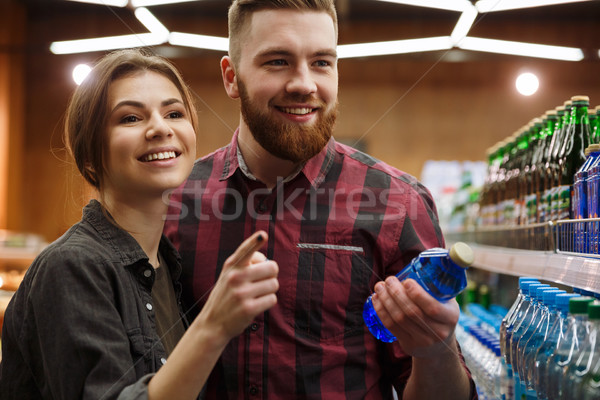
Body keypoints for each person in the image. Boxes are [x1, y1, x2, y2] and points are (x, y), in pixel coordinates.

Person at [164, 0, 477, 398]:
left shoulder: (398, 204)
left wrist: (436, 352)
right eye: (277, 61)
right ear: (231, 77)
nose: (304, 84)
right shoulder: (174, 201)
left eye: (321, 62)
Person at [0, 48, 279, 400]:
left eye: (174, 113)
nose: (160, 128)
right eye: (131, 118)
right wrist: (213, 326)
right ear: (89, 154)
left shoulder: (167, 266)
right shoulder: (71, 267)